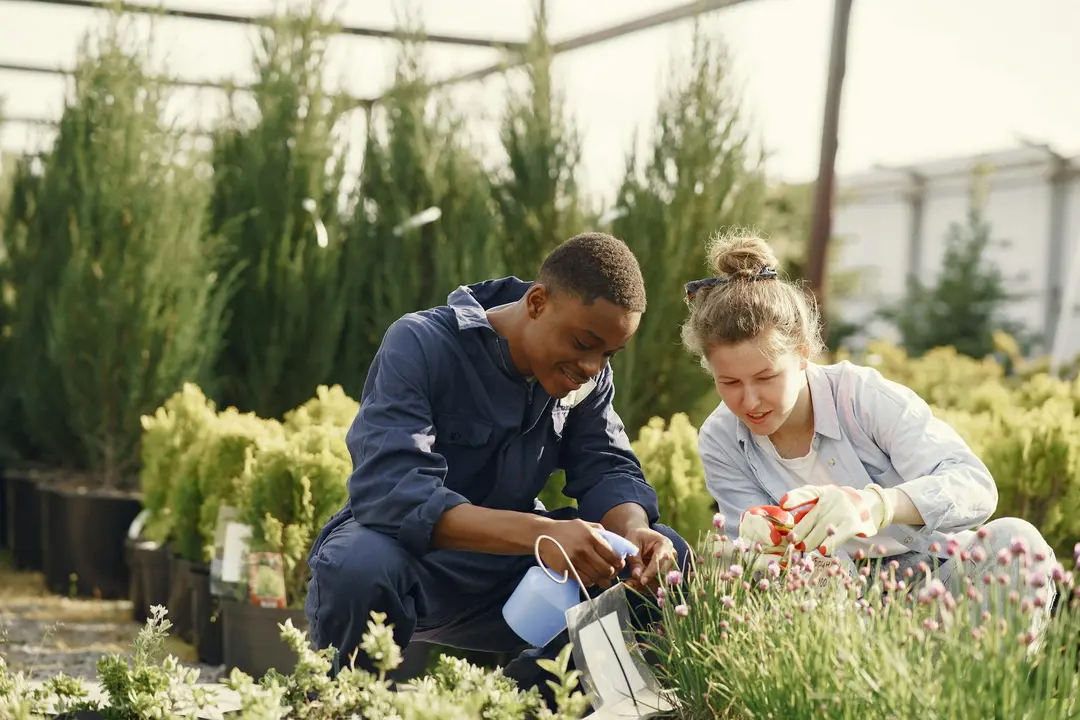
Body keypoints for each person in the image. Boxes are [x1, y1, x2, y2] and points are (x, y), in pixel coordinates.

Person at [306, 232, 689, 703]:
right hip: (410, 562)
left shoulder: (586, 378)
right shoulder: (420, 342)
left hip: (510, 577)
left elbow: (607, 467)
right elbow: (395, 494)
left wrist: (633, 535)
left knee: (665, 561)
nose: (592, 366)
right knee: (359, 563)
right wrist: (542, 536)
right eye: (583, 343)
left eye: (608, 354)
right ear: (536, 302)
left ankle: (508, 709)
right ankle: (341, 705)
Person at [680, 231, 1057, 626]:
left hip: (941, 580)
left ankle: (961, 685)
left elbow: (974, 485)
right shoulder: (722, 439)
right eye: (730, 383)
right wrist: (767, 546)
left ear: (804, 354)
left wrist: (876, 506)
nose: (750, 401)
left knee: (1019, 542)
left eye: (766, 377)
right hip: (834, 603)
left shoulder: (860, 395)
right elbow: (762, 561)